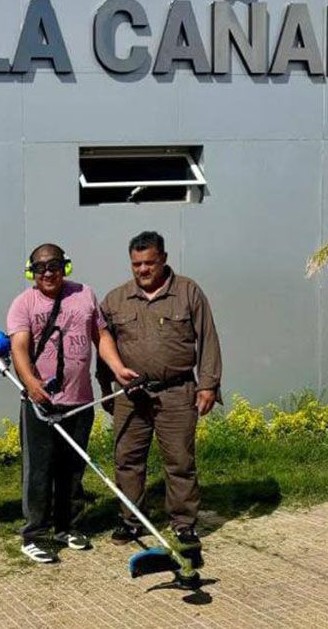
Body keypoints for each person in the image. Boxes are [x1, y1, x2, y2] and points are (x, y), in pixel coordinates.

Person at [98, 231, 222, 552]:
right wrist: (105, 387)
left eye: (149, 262)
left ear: (163, 259)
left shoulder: (187, 292)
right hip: (130, 396)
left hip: (177, 392)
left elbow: (208, 338)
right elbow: (102, 343)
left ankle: (183, 524)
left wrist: (208, 384)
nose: (143, 269)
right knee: (127, 459)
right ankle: (132, 520)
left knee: (180, 461)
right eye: (136, 264)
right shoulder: (115, 300)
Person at [6, 243, 118, 564]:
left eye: (54, 265)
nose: (47, 273)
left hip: (79, 400)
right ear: (32, 272)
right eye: (40, 268)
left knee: (72, 468)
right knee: (39, 470)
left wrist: (118, 368)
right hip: (40, 403)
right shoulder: (23, 303)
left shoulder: (85, 294)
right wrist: (31, 383)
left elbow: (102, 337)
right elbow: (18, 348)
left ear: (65, 266)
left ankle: (66, 527)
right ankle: (34, 534)